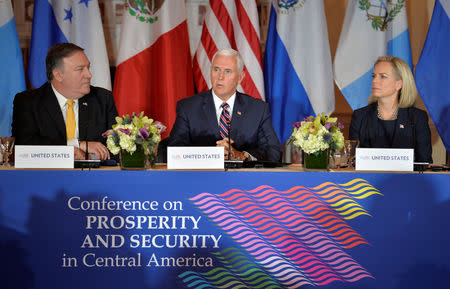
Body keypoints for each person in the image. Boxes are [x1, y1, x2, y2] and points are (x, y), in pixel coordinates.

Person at [167, 48, 282, 162]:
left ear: (240, 77)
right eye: (216, 70)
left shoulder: (258, 109)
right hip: (201, 177)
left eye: (227, 71)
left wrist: (242, 156)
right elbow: (173, 151)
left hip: (242, 179)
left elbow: (274, 153)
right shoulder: (188, 108)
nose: (220, 77)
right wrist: (213, 155)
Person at [12, 43, 118, 160]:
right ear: (58, 75)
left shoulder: (102, 99)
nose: (89, 75)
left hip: (92, 176)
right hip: (45, 175)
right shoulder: (29, 102)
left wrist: (87, 156)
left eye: (88, 67)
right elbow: (22, 146)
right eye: (80, 69)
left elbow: (117, 148)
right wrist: (77, 144)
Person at [349, 56, 432, 163]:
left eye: (383, 76)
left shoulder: (417, 118)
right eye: (374, 76)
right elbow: (352, 160)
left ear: (399, 84)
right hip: (368, 179)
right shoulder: (360, 116)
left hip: (407, 179)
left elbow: (424, 162)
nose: (375, 81)